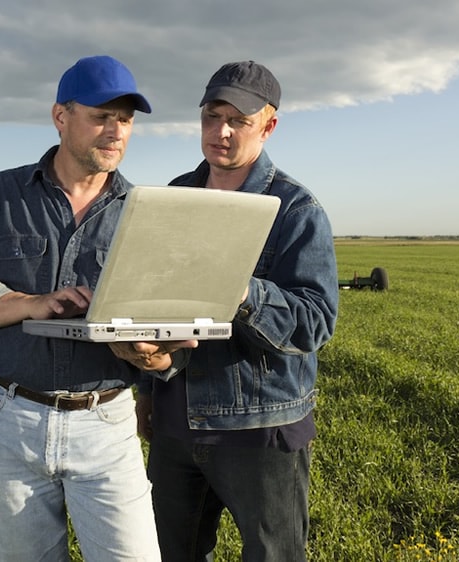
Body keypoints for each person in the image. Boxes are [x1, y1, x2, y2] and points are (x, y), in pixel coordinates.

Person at [0, 55, 188, 561]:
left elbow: (161, 333)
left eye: (127, 120)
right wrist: (30, 304)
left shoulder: (143, 216)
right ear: (60, 117)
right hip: (8, 415)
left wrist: (154, 357)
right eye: (101, 116)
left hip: (105, 421)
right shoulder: (0, 196)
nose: (115, 131)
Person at [134, 61, 339, 561]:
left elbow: (315, 321)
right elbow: (145, 302)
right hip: (175, 424)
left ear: (269, 126)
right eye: (211, 116)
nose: (219, 132)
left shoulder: (295, 211)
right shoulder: (173, 198)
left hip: (259, 430)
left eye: (238, 121)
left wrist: (239, 287)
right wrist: (145, 391)